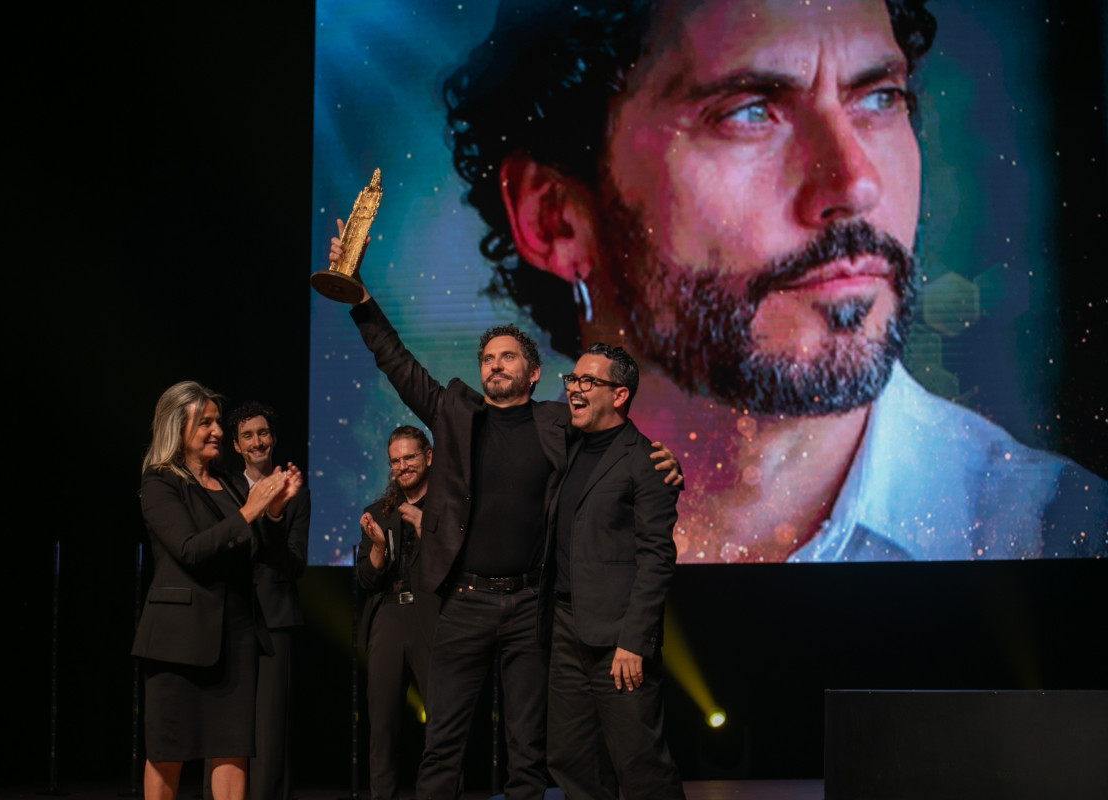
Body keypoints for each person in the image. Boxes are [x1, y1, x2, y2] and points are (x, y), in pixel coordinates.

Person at [441, 0, 1108, 562]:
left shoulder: (1061, 543)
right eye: (748, 112)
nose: (855, 183)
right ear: (555, 219)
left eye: (879, 97)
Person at [331, 225, 682, 800]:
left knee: (529, 749)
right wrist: (361, 300)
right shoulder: (454, 412)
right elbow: (396, 363)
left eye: (508, 357)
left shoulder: (557, 423)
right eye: (488, 358)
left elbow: (618, 442)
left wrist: (667, 464)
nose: (495, 366)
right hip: (463, 602)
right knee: (443, 742)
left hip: (528, 608)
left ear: (534, 371)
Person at [132, 381, 303, 800]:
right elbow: (190, 549)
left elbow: (263, 553)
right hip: (178, 643)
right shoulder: (160, 483)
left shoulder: (229, 483)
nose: (216, 431)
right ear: (178, 427)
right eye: (204, 422)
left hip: (236, 637)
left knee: (233, 751)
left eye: (215, 422)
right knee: (168, 753)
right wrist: (251, 510)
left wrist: (275, 512)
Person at [543, 343, 683, 800]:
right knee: (571, 759)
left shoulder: (646, 461)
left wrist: (634, 642)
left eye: (588, 381)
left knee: (640, 764)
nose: (574, 389)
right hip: (566, 630)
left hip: (618, 642)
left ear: (619, 395)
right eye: (572, 380)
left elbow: (656, 558)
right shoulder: (566, 442)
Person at [223, 402, 310, 800]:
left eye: (263, 433)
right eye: (247, 436)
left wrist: (273, 514)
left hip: (276, 621)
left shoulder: (296, 493)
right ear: (237, 445)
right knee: (224, 725)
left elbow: (294, 565)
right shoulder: (221, 488)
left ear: (273, 438)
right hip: (230, 618)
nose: (257, 441)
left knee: (271, 729)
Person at [356, 425, 442, 800]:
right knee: (383, 727)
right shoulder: (378, 513)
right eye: (395, 461)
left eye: (409, 457)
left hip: (434, 621)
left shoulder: (448, 508)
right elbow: (365, 580)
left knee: (442, 726)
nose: (403, 466)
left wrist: (429, 531)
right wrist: (377, 549)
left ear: (428, 457)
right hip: (388, 620)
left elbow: (459, 568)